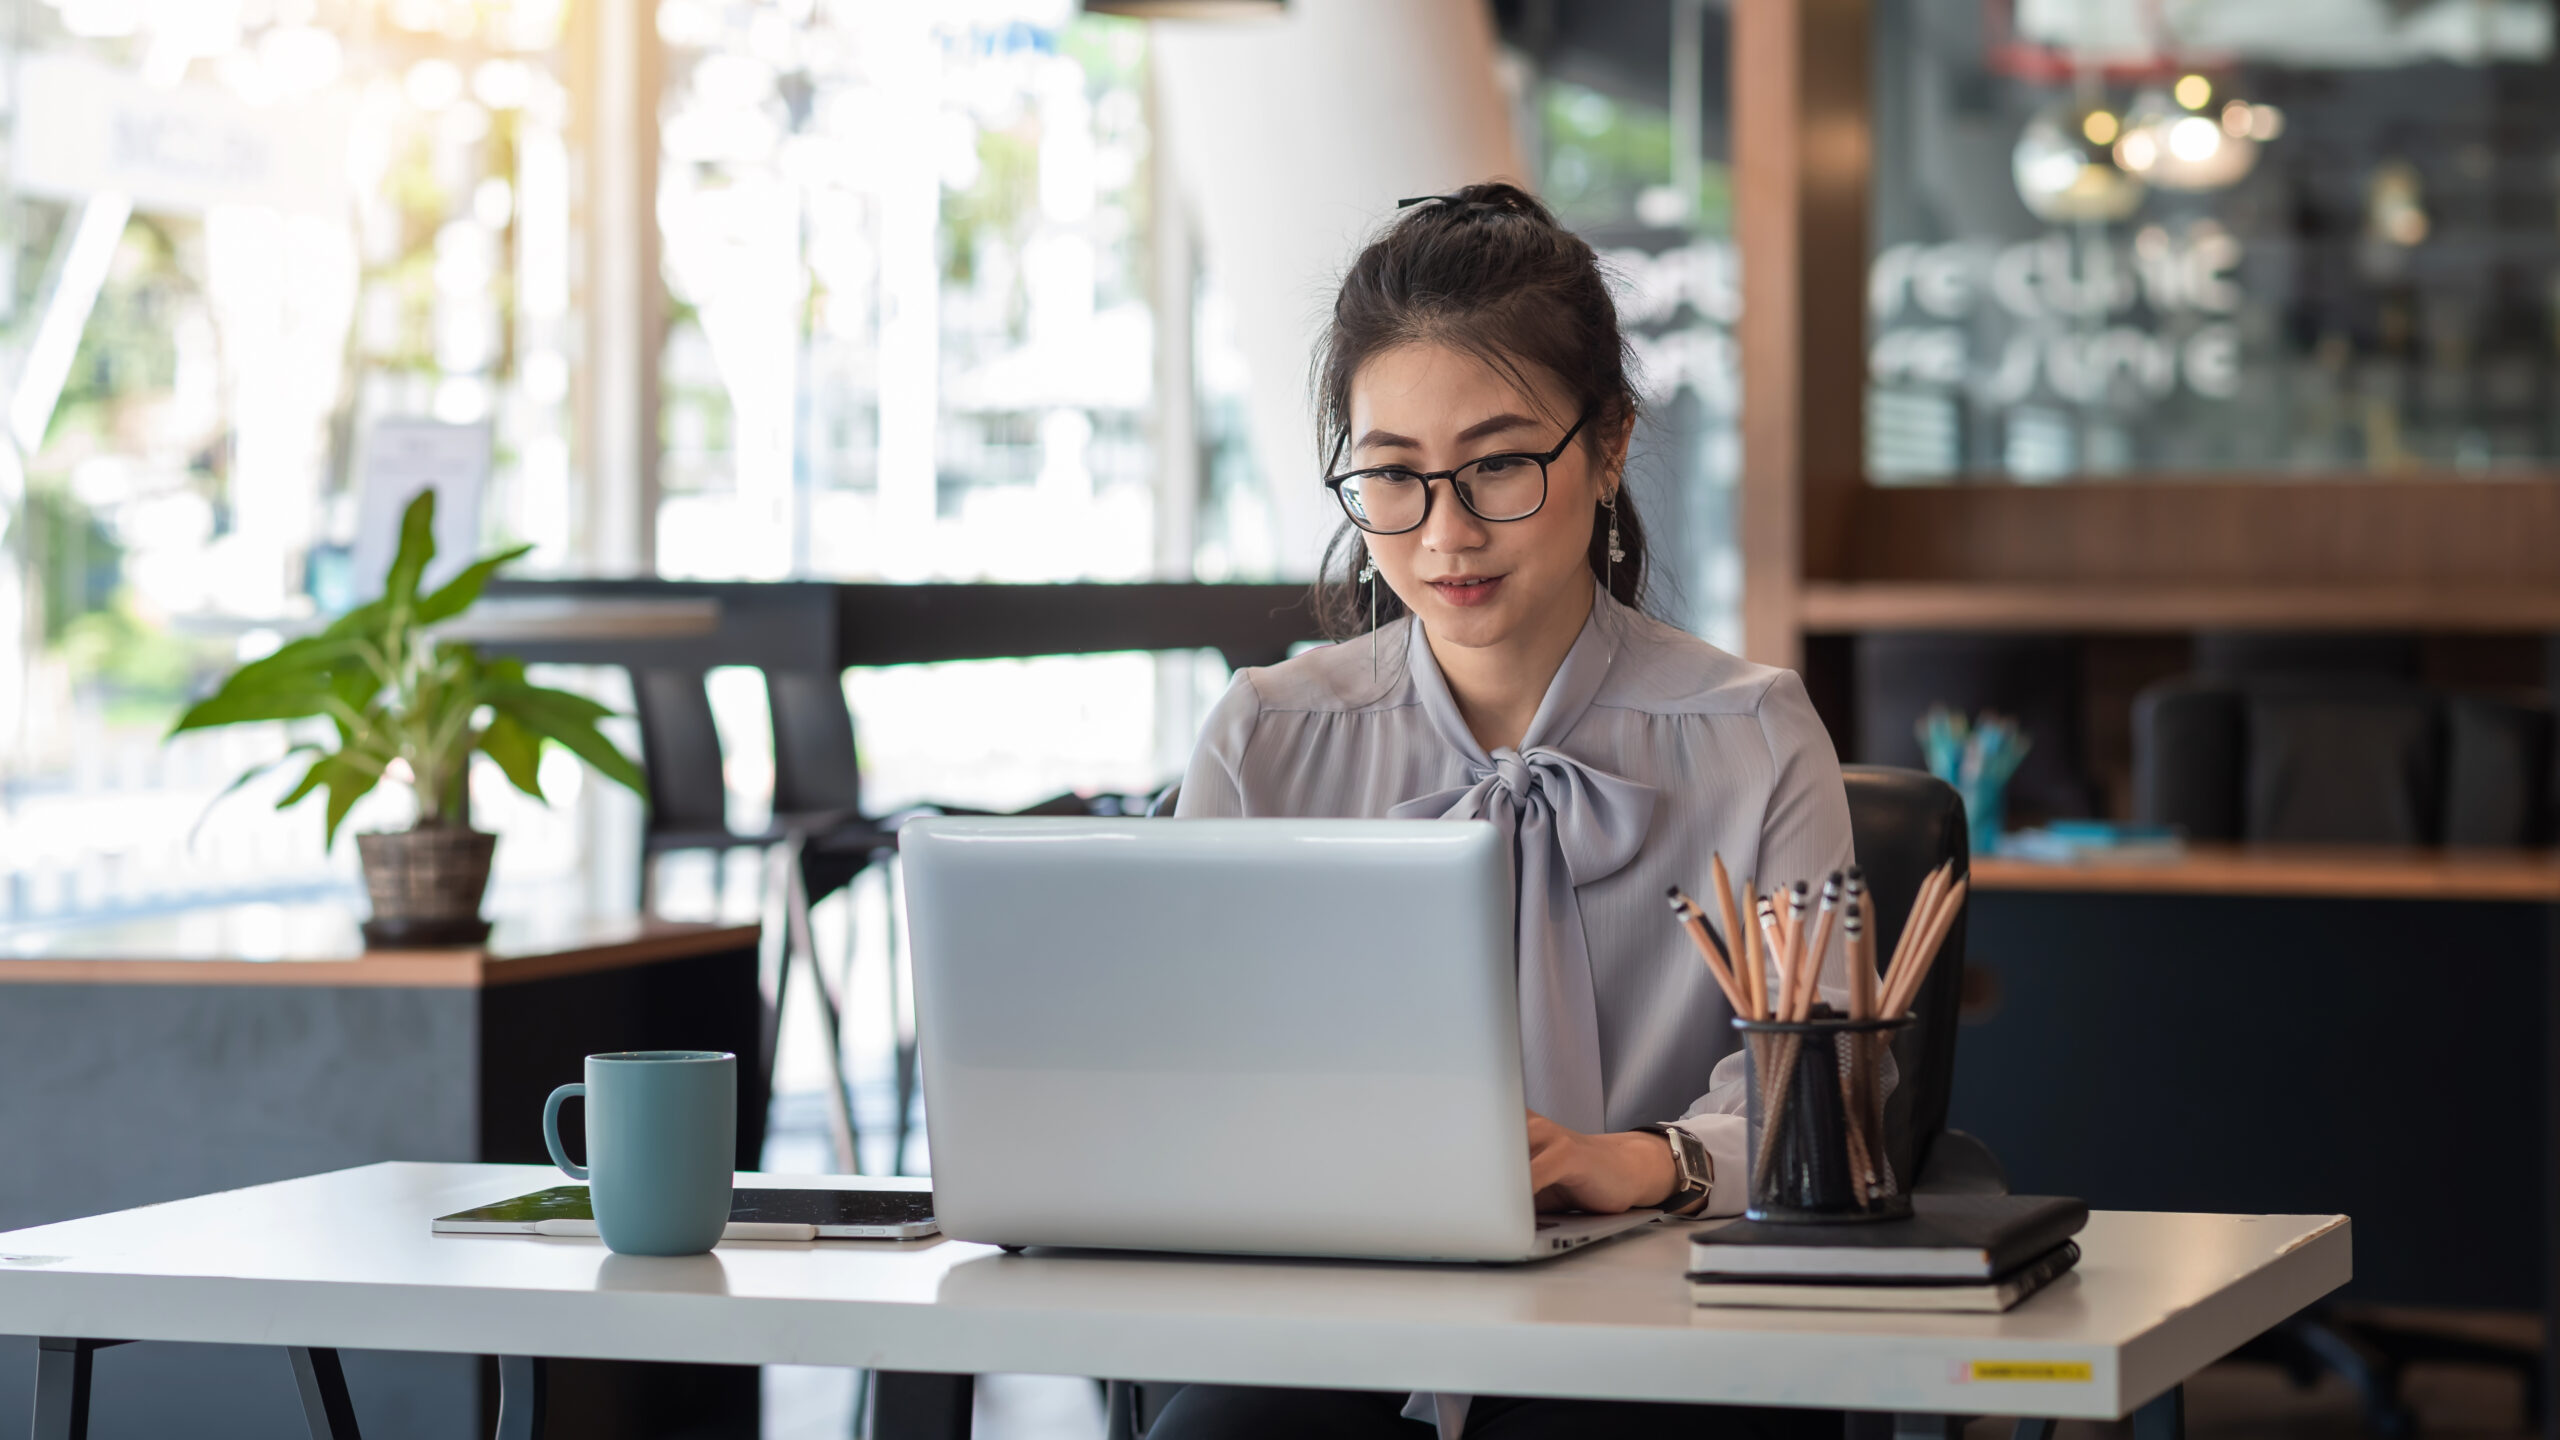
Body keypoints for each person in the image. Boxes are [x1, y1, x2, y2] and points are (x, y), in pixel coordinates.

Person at [1156, 183, 1859, 1440]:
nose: (1446, 535)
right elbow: (1178, 1081)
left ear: (1607, 446)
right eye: (1393, 477)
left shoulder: (1753, 735)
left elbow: (1829, 1097)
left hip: (1667, 1326)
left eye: (1497, 466)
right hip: (1340, 1323)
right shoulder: (1265, 738)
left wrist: (1637, 1160)